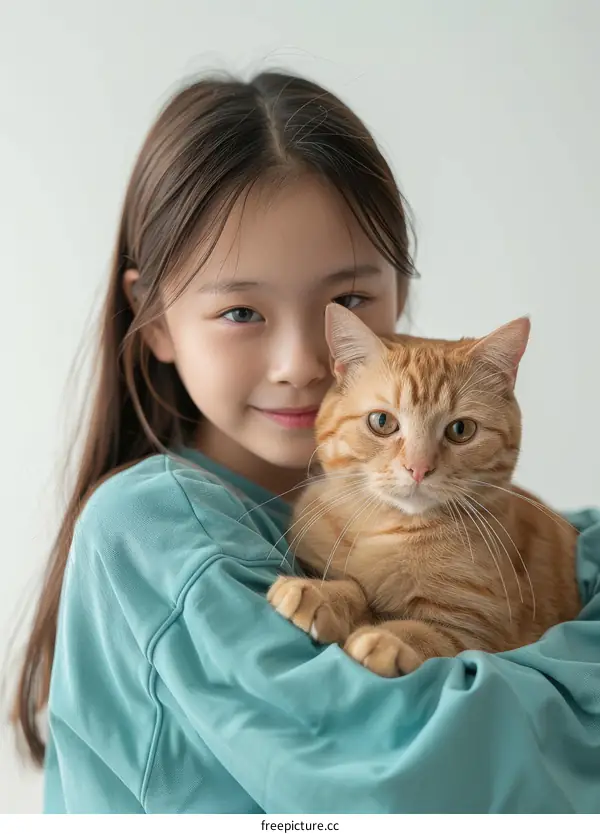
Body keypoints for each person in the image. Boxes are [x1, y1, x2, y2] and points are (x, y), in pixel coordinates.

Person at [13, 71, 600, 813]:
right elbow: (410, 776)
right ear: (154, 317)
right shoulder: (147, 526)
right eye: (239, 311)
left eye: (347, 301)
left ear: (399, 293)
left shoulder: (440, 507)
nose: (303, 364)